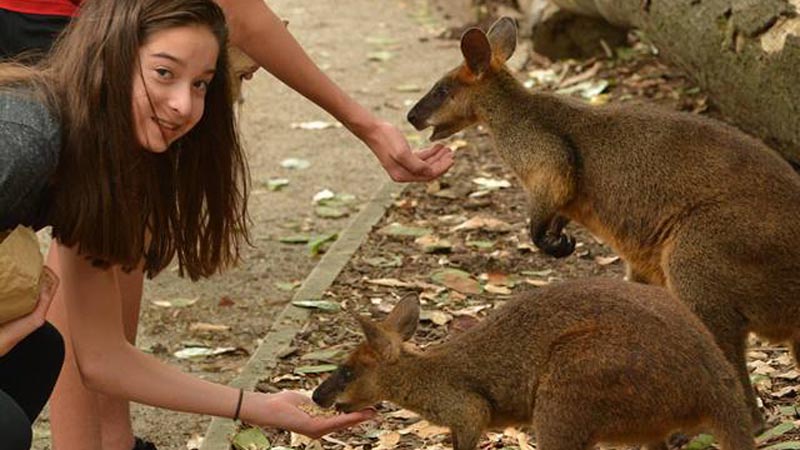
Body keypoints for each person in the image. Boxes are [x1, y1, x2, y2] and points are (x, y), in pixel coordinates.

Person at [0, 1, 382, 450]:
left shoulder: (95, 160)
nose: (184, 104)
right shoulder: (25, 137)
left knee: (38, 353)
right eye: (164, 73)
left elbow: (103, 358)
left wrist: (260, 407)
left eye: (201, 84)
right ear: (111, 56)